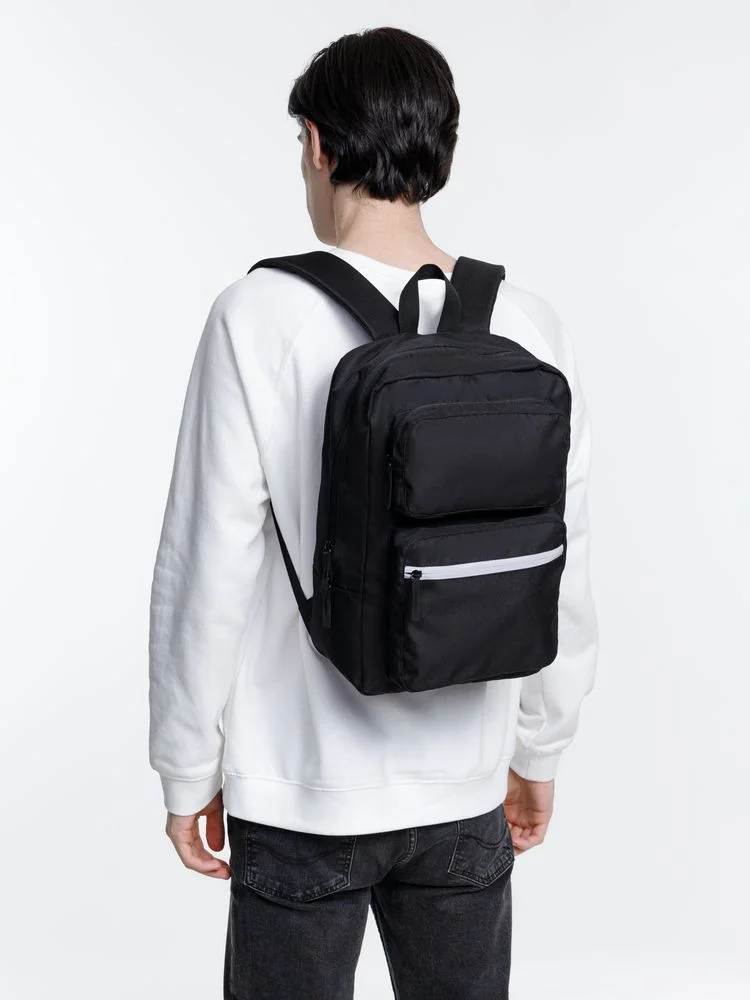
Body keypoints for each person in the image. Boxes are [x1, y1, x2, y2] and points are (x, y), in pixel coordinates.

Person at [148, 25, 598, 1000]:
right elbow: (563, 567)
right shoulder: (527, 321)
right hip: (466, 785)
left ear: (318, 144)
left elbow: (204, 566)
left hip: (301, 791)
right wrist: (540, 747)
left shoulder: (257, 315)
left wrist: (186, 769)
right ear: (443, 145)